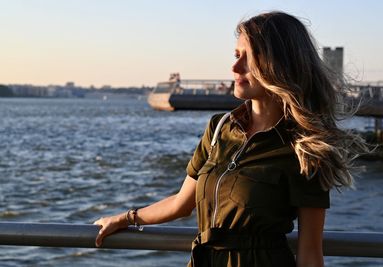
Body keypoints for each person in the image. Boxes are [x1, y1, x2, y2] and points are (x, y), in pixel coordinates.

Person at [94, 11, 368, 266]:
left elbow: (310, 252)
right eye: (236, 54)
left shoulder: (306, 147)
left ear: (280, 64)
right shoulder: (218, 129)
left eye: (249, 57)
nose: (235, 67)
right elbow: (181, 203)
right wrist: (127, 218)